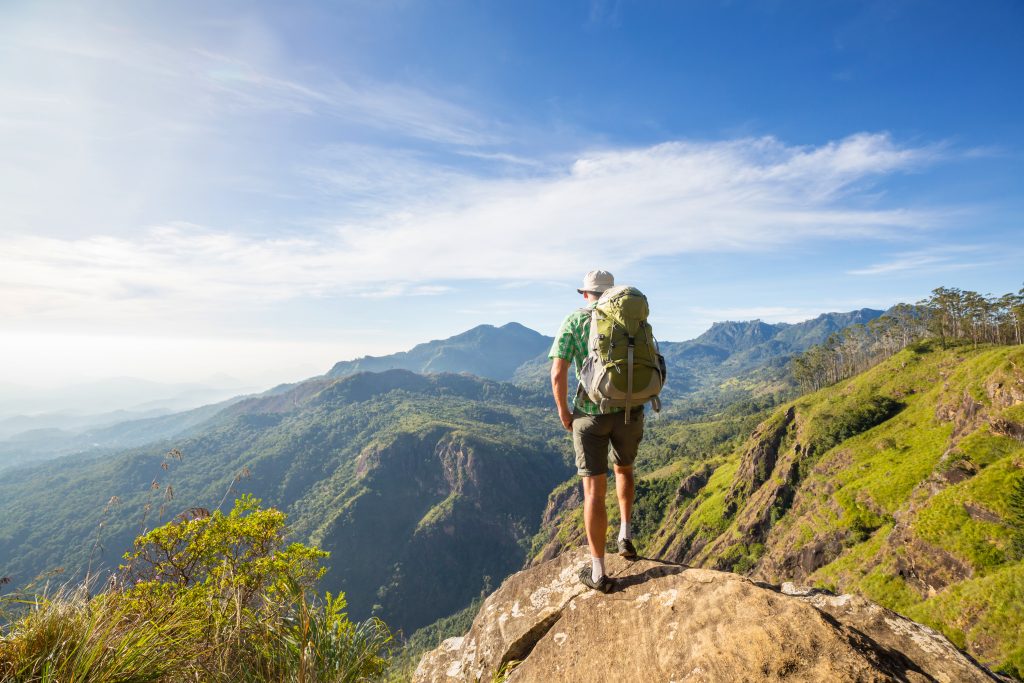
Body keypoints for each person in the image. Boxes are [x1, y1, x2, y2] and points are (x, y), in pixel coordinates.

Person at [549, 269, 644, 593]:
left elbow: (558, 373)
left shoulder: (575, 322)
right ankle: (626, 536)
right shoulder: (629, 321)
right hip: (630, 411)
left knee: (593, 492)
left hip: (590, 414)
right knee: (625, 469)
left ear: (586, 294)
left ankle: (599, 572)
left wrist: (564, 412)